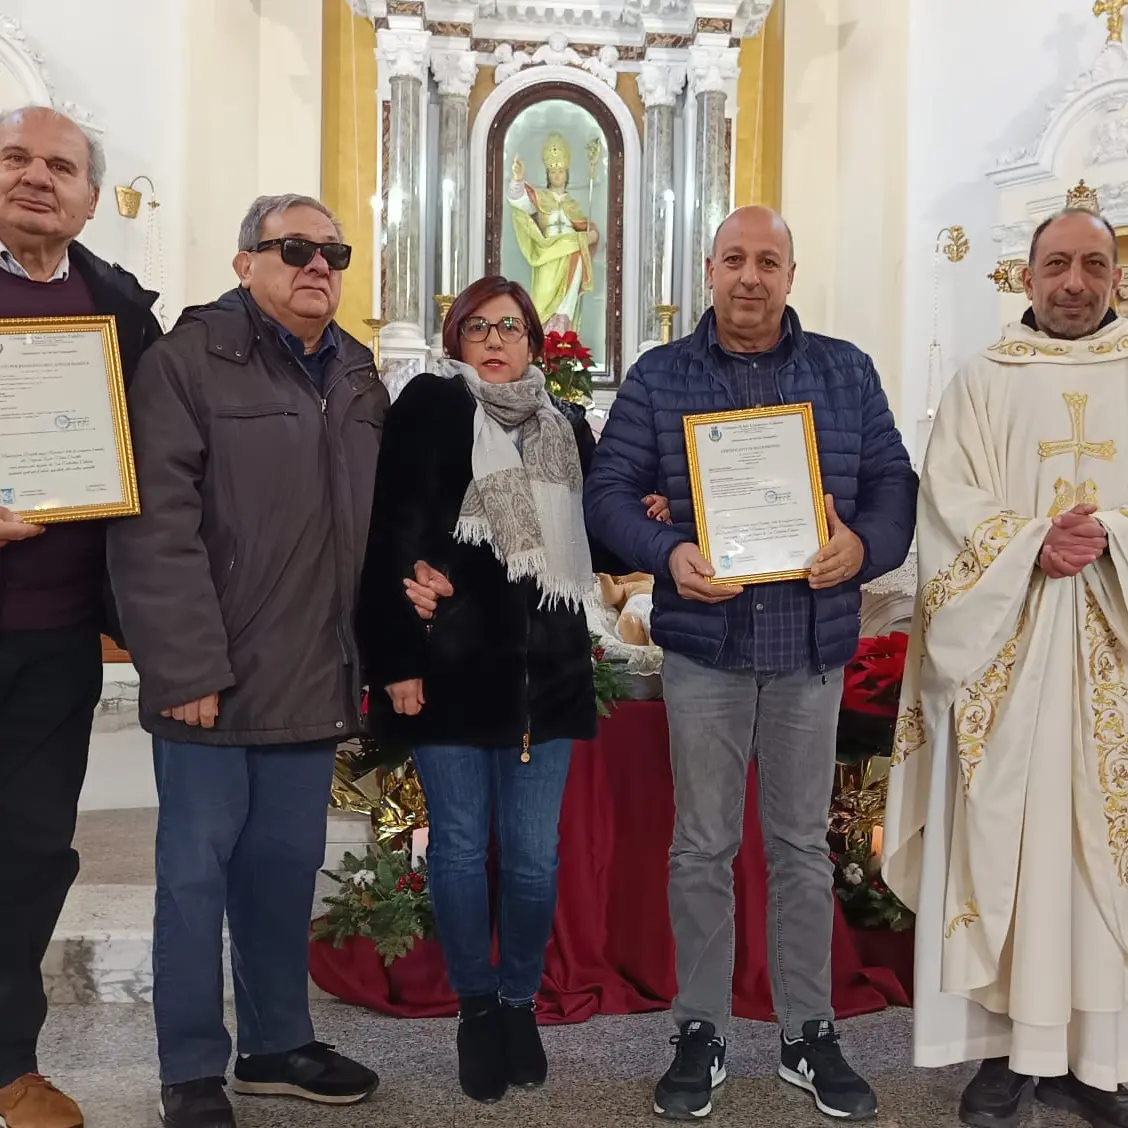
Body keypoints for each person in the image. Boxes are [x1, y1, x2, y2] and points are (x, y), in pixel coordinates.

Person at [584, 206, 917, 1122]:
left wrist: (864, 545)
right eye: (736, 258)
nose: (751, 277)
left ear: (791, 273)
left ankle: (808, 1032)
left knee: (803, 848)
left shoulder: (844, 371)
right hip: (708, 649)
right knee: (701, 847)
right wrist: (668, 557)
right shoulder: (660, 377)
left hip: (811, 649)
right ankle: (700, 1027)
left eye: (769, 261)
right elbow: (607, 493)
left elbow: (894, 484)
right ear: (710, 267)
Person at [106, 194, 384, 1128]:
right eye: (295, 248)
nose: (319, 265)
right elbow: (155, 529)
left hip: (310, 670)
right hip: (212, 683)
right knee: (194, 878)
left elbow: (370, 531)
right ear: (244, 263)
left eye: (332, 252)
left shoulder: (355, 371)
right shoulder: (186, 364)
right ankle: (189, 1065)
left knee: (281, 871)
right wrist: (183, 667)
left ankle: (275, 1044)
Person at [883, 208, 1128, 1128]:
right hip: (1005, 664)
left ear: (1114, 276)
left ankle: (1098, 1059)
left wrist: (1106, 534)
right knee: (1001, 851)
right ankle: (1001, 1059)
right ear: (1024, 277)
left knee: (1101, 852)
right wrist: (1034, 542)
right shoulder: (981, 382)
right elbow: (946, 508)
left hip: (1111, 663)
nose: (1074, 282)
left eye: (1093, 265)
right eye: (1057, 264)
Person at [357, 275, 624, 1105]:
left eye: (511, 326)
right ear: (456, 339)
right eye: (480, 327)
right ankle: (476, 1009)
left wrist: (655, 509)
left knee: (536, 859)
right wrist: (398, 656)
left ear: (537, 341)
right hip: (451, 670)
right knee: (464, 851)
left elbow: (596, 536)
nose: (497, 339)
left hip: (547, 675)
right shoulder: (431, 411)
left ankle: (519, 1005)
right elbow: (394, 532)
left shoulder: (567, 426)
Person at [0, 105, 162, 1128]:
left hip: (57, 635)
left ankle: (10, 1061)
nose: (35, 178)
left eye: (60, 166)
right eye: (16, 158)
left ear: (91, 199)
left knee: (30, 851)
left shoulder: (118, 307)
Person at [507, 133, 597, 334]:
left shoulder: (573, 205)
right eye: (553, 171)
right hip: (547, 254)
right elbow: (519, 203)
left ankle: (562, 345)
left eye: (561, 171)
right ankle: (543, 341)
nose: (557, 175)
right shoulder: (540, 198)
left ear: (567, 174)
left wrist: (592, 235)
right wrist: (518, 179)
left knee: (566, 303)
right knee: (542, 300)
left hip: (571, 255)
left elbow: (586, 227)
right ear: (547, 174)